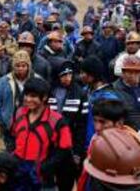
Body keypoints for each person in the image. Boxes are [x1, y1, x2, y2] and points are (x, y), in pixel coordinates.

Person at [11, 77, 72, 190]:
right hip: (18, 171)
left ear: (44, 97)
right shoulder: (19, 113)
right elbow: (14, 136)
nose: (28, 99)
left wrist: (46, 166)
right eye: (26, 95)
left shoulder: (57, 121)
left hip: (41, 176)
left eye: (33, 96)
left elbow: (64, 149)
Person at [48, 60, 88, 191]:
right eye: (63, 75)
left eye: (70, 74)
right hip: (51, 145)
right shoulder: (49, 91)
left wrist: (77, 152)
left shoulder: (80, 94)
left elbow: (82, 126)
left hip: (69, 147)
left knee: (67, 181)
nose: (67, 78)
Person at [0, 50, 39, 151]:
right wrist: (0, 121)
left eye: (24, 65)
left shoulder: (36, 80)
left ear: (28, 66)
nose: (21, 68)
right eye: (17, 66)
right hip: (10, 124)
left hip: (31, 125)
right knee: (11, 151)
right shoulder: (4, 80)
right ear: (13, 66)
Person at [79, 56, 120, 147]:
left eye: (83, 73)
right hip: (83, 143)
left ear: (92, 74)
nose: (80, 76)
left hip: (100, 144)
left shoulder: (109, 98)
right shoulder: (84, 91)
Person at [113, 55, 140, 131]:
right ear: (123, 73)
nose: (134, 75)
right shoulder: (114, 91)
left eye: (137, 72)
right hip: (127, 134)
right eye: (130, 72)